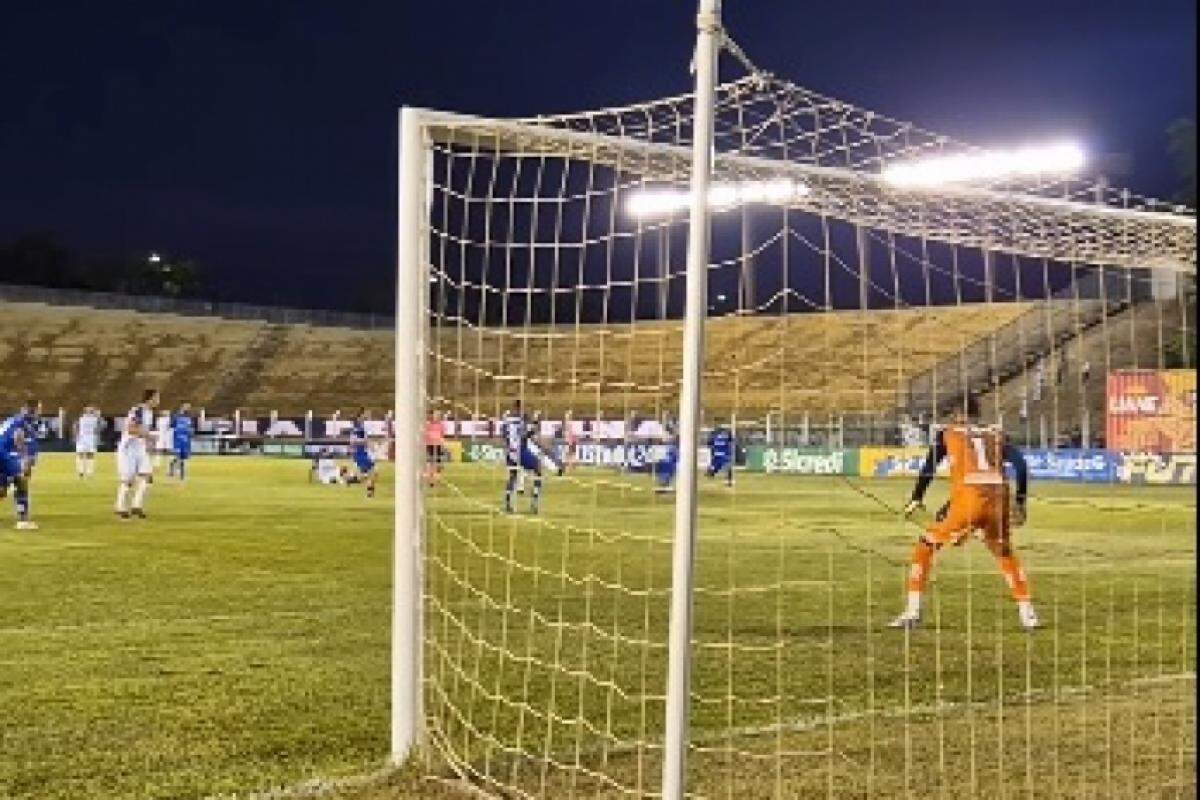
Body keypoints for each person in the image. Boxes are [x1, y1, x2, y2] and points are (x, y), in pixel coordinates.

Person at [891, 396, 1038, 631]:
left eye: (953, 413)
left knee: (925, 546)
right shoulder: (995, 434)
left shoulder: (949, 433)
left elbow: (929, 468)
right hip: (999, 498)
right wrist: (1020, 501)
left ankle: (912, 612)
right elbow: (1020, 465)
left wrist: (916, 498)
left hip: (970, 500)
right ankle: (1028, 614)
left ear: (959, 413)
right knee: (1004, 552)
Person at [115, 389, 159, 520]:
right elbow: (131, 429)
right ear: (150, 399)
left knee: (147, 476)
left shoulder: (150, 413)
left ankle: (136, 506)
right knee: (128, 480)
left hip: (139, 447)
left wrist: (148, 442)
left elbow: (143, 431)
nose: (158, 401)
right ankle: (120, 507)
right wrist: (149, 436)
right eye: (156, 398)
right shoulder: (138, 410)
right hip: (128, 448)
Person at [0, 404, 38, 530]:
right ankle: (23, 520)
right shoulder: (23, 423)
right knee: (21, 480)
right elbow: (18, 436)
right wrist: (25, 457)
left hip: (4, 453)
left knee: (2, 489)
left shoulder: (11, 420)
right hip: (3, 454)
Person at [501, 401, 543, 514]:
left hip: (510, 453)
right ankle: (534, 500)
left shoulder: (507, 420)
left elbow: (504, 435)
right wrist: (535, 421)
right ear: (520, 408)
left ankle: (508, 502)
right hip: (521, 452)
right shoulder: (522, 420)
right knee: (538, 468)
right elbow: (527, 434)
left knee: (512, 476)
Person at [349, 408, 377, 498]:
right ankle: (352, 479)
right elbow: (353, 441)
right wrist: (365, 442)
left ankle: (370, 493)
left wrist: (368, 443)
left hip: (363, 453)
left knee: (371, 473)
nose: (367, 416)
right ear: (360, 416)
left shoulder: (361, 427)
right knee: (369, 474)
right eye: (365, 414)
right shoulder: (358, 428)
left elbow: (363, 440)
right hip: (360, 454)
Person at [75, 406, 102, 479]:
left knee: (87, 455)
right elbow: (98, 427)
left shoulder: (82, 418)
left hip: (87, 438)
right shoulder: (92, 419)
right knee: (86, 455)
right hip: (86, 438)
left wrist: (76, 436)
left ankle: (85, 472)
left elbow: (76, 427)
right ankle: (84, 472)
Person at [168, 403, 194, 481]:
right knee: (178, 457)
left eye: (189, 407)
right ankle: (181, 475)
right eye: (186, 407)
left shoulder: (189, 418)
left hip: (186, 440)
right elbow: (171, 425)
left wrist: (190, 433)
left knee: (183, 458)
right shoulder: (176, 416)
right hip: (178, 439)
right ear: (182, 407)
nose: (188, 409)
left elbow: (191, 428)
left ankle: (172, 467)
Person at [424, 410, 445, 487]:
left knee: (437, 463)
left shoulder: (441, 425)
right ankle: (430, 479)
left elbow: (442, 435)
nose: (437, 417)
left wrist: (442, 443)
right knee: (430, 462)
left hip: (438, 445)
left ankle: (435, 479)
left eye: (439, 416)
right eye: (436, 415)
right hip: (430, 445)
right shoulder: (428, 424)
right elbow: (425, 434)